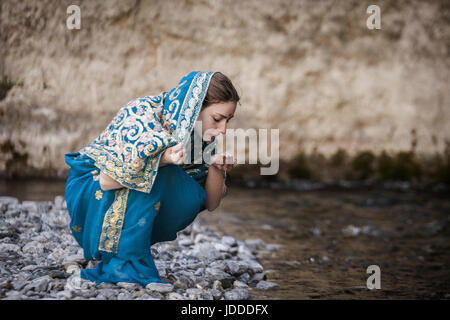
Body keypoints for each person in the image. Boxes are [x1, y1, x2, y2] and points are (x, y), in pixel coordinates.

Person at [64, 71, 239, 286]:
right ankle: (123, 262)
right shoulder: (141, 112)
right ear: (195, 108)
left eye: (227, 121)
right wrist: (162, 159)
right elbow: (106, 182)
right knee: (162, 170)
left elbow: (210, 203)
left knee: (190, 193)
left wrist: (216, 167)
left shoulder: (201, 137)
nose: (222, 130)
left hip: (116, 198)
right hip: (90, 194)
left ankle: (130, 256)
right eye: (217, 119)